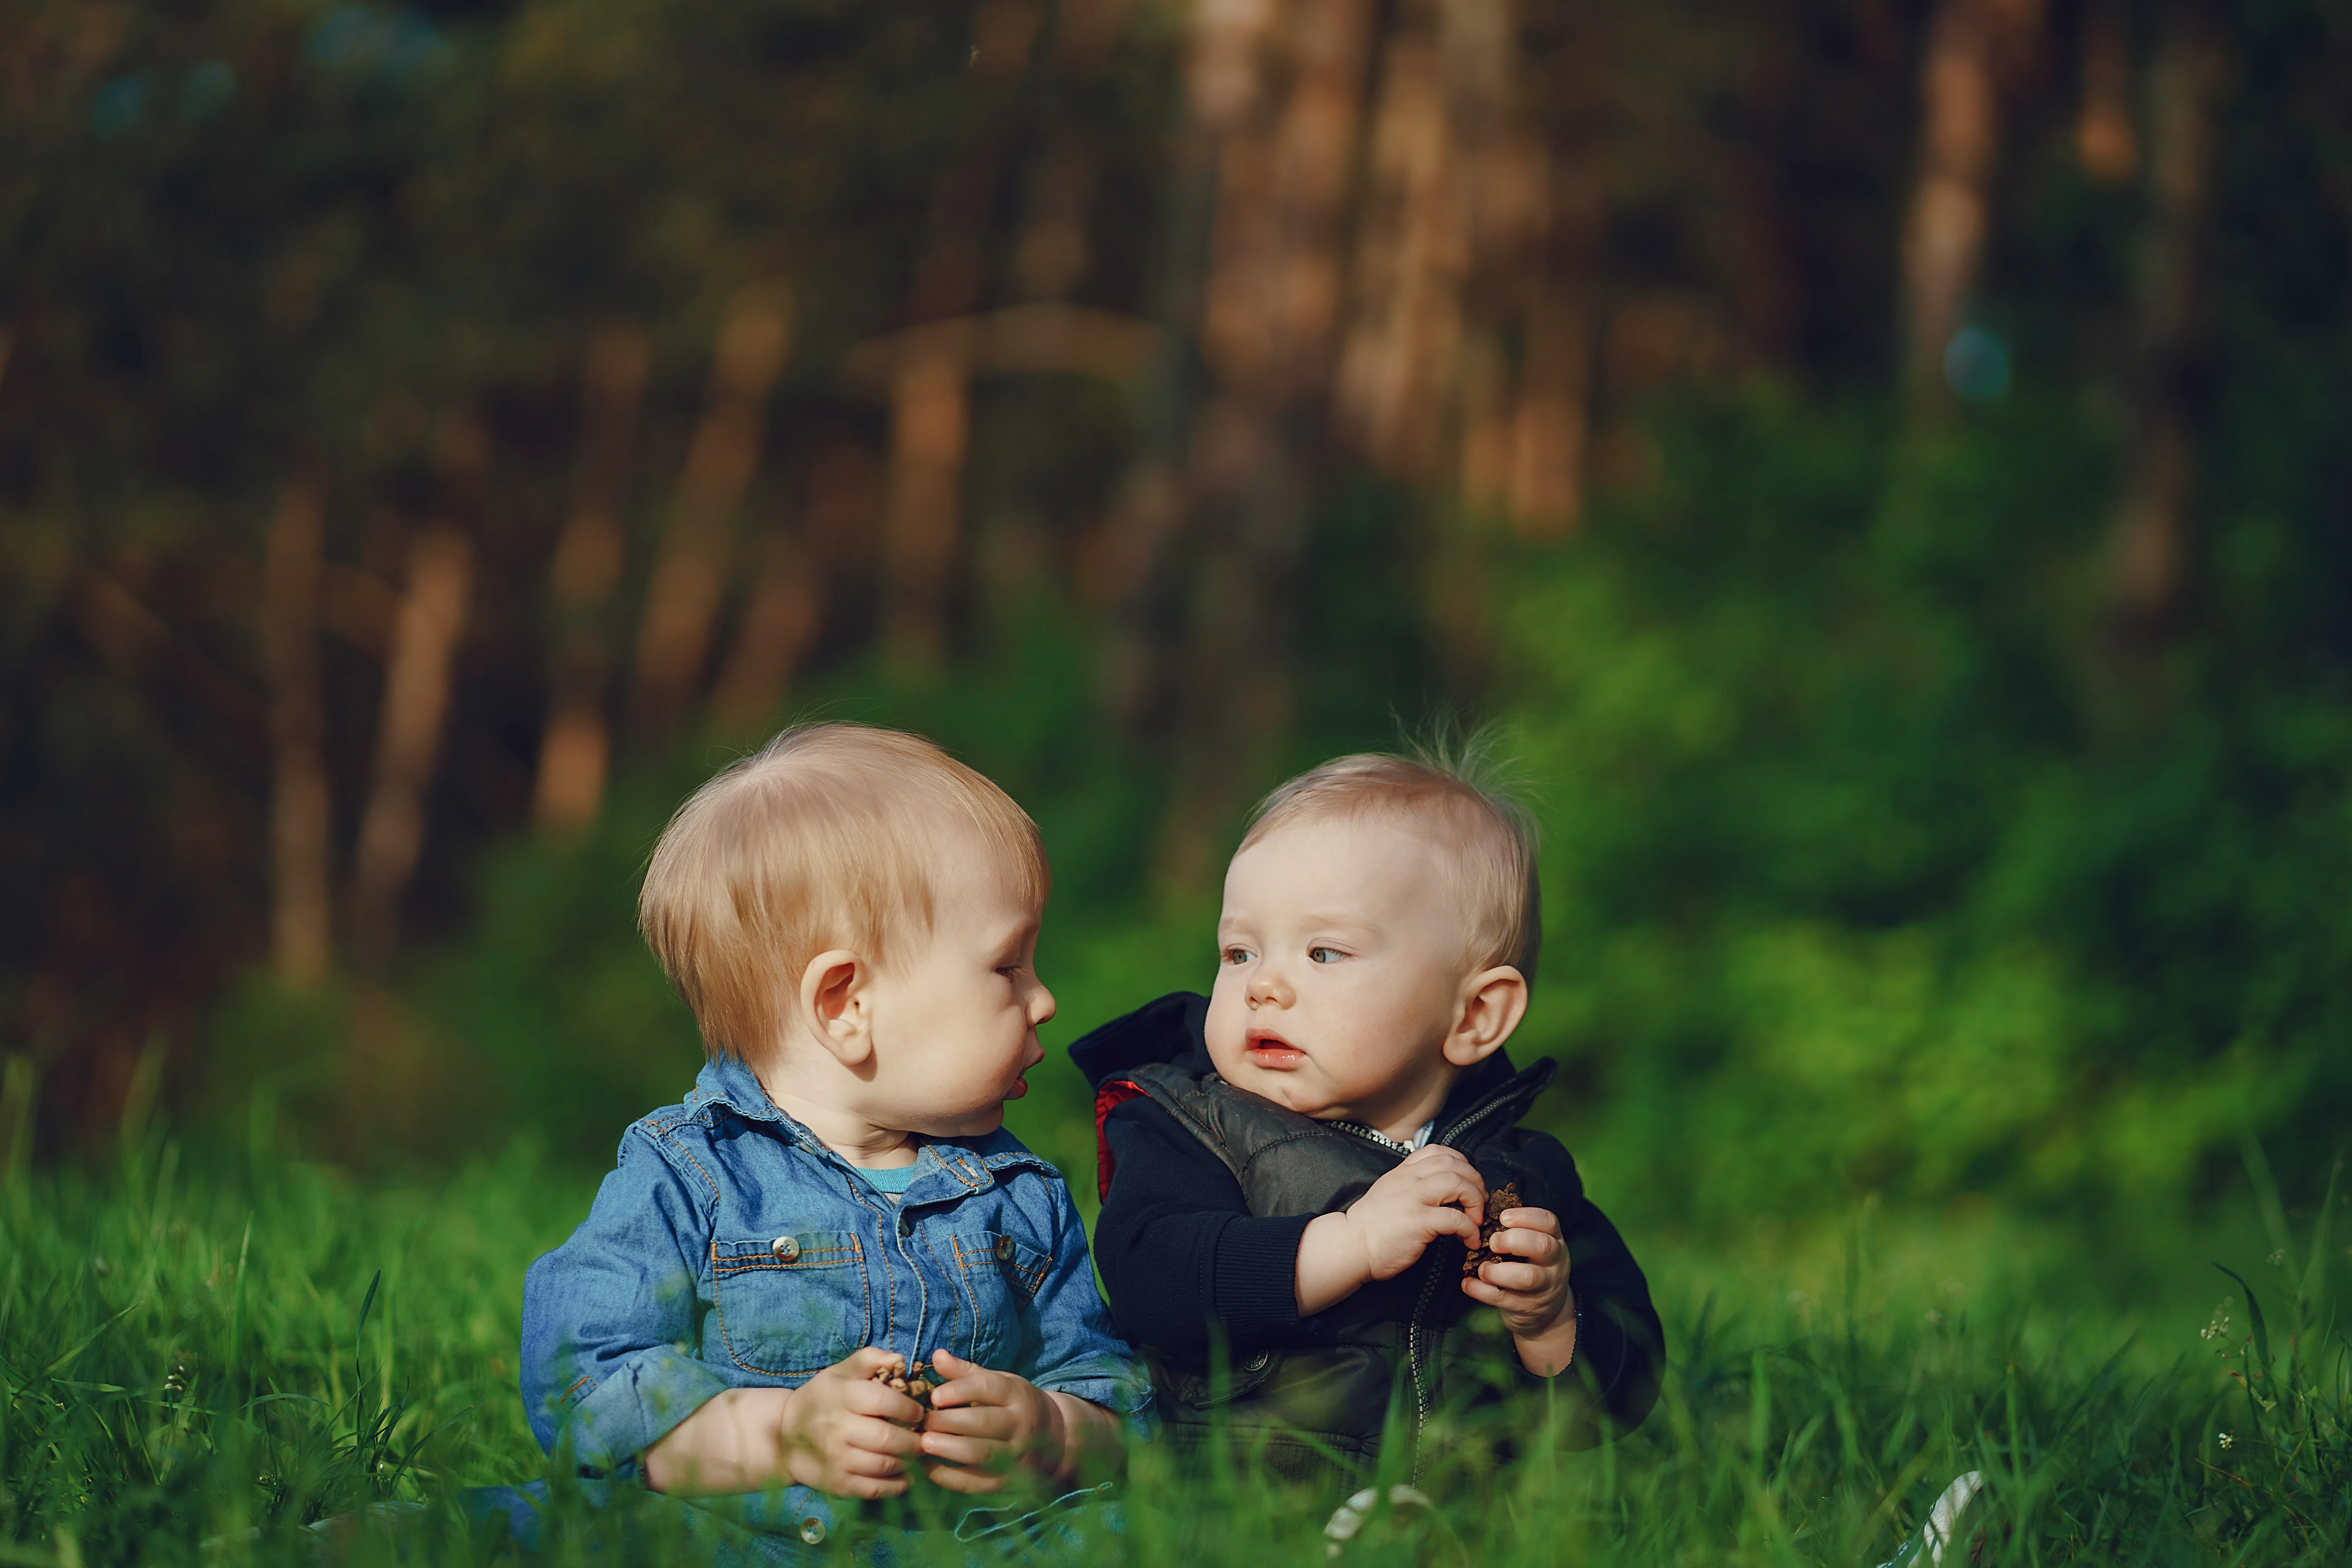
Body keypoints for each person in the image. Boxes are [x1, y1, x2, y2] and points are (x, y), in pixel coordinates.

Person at [499, 723, 1151, 1557]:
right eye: (1008, 966)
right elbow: (581, 1376)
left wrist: (1055, 1431)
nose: (1046, 997)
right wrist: (780, 1432)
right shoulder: (691, 1173)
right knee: (538, 1526)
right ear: (845, 1003)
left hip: (967, 1541)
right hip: (741, 1536)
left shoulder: (1019, 1194)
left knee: (1135, 1533)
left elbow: (1116, 1393)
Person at [1074, 748, 1661, 1482]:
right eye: (1238, 951)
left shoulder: (1521, 1179)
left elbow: (1625, 1396)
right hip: (1244, 1508)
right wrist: (1344, 1244)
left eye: (1324, 952)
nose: (1265, 986)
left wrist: (1552, 1320)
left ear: (1476, 1015)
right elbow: (1150, 1282)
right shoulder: (1193, 1126)